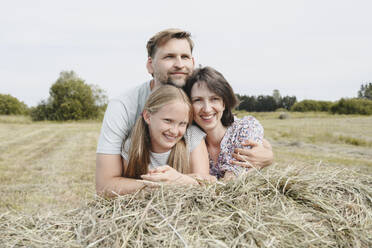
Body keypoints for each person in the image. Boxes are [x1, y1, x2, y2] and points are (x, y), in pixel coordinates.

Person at [96, 28, 273, 196]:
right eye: (169, 57)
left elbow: (226, 122)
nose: (179, 64)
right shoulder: (123, 106)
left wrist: (267, 154)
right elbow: (104, 185)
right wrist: (162, 184)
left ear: (192, 63)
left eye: (185, 57)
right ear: (150, 65)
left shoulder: (192, 93)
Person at [116, 85, 206, 195]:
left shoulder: (192, 137)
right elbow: (123, 185)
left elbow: (205, 184)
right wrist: (159, 184)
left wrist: (179, 180)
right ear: (148, 117)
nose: (174, 131)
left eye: (182, 123)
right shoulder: (132, 146)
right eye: (168, 121)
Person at [184, 66, 265, 179]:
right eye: (198, 100)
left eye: (214, 99)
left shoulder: (245, 127)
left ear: (224, 103)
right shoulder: (188, 139)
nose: (207, 109)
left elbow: (232, 180)